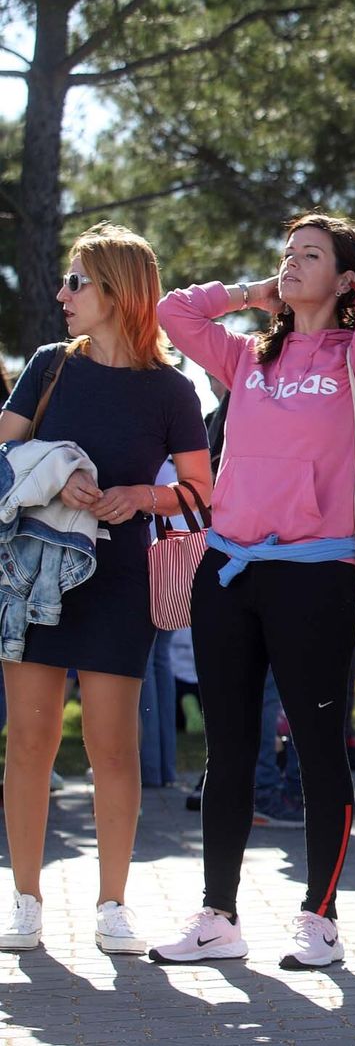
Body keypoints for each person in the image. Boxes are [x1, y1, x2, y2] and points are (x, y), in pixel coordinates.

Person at [148, 212, 355, 969]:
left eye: (311, 256)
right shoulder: (248, 358)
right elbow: (175, 312)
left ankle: (319, 917)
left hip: (318, 574)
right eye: (286, 251)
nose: (292, 263)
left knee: (320, 746)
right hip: (229, 570)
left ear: (347, 277)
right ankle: (218, 916)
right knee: (228, 751)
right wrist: (254, 290)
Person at [0, 224, 211, 955]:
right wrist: (61, 469)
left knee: (112, 749)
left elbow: (198, 492)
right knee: (28, 740)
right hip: (35, 575)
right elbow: (5, 448)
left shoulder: (173, 390)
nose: (62, 294)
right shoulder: (49, 365)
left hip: (120, 579)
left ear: (120, 292)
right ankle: (24, 901)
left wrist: (135, 498)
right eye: (65, 281)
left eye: (77, 281)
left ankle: (112, 904)